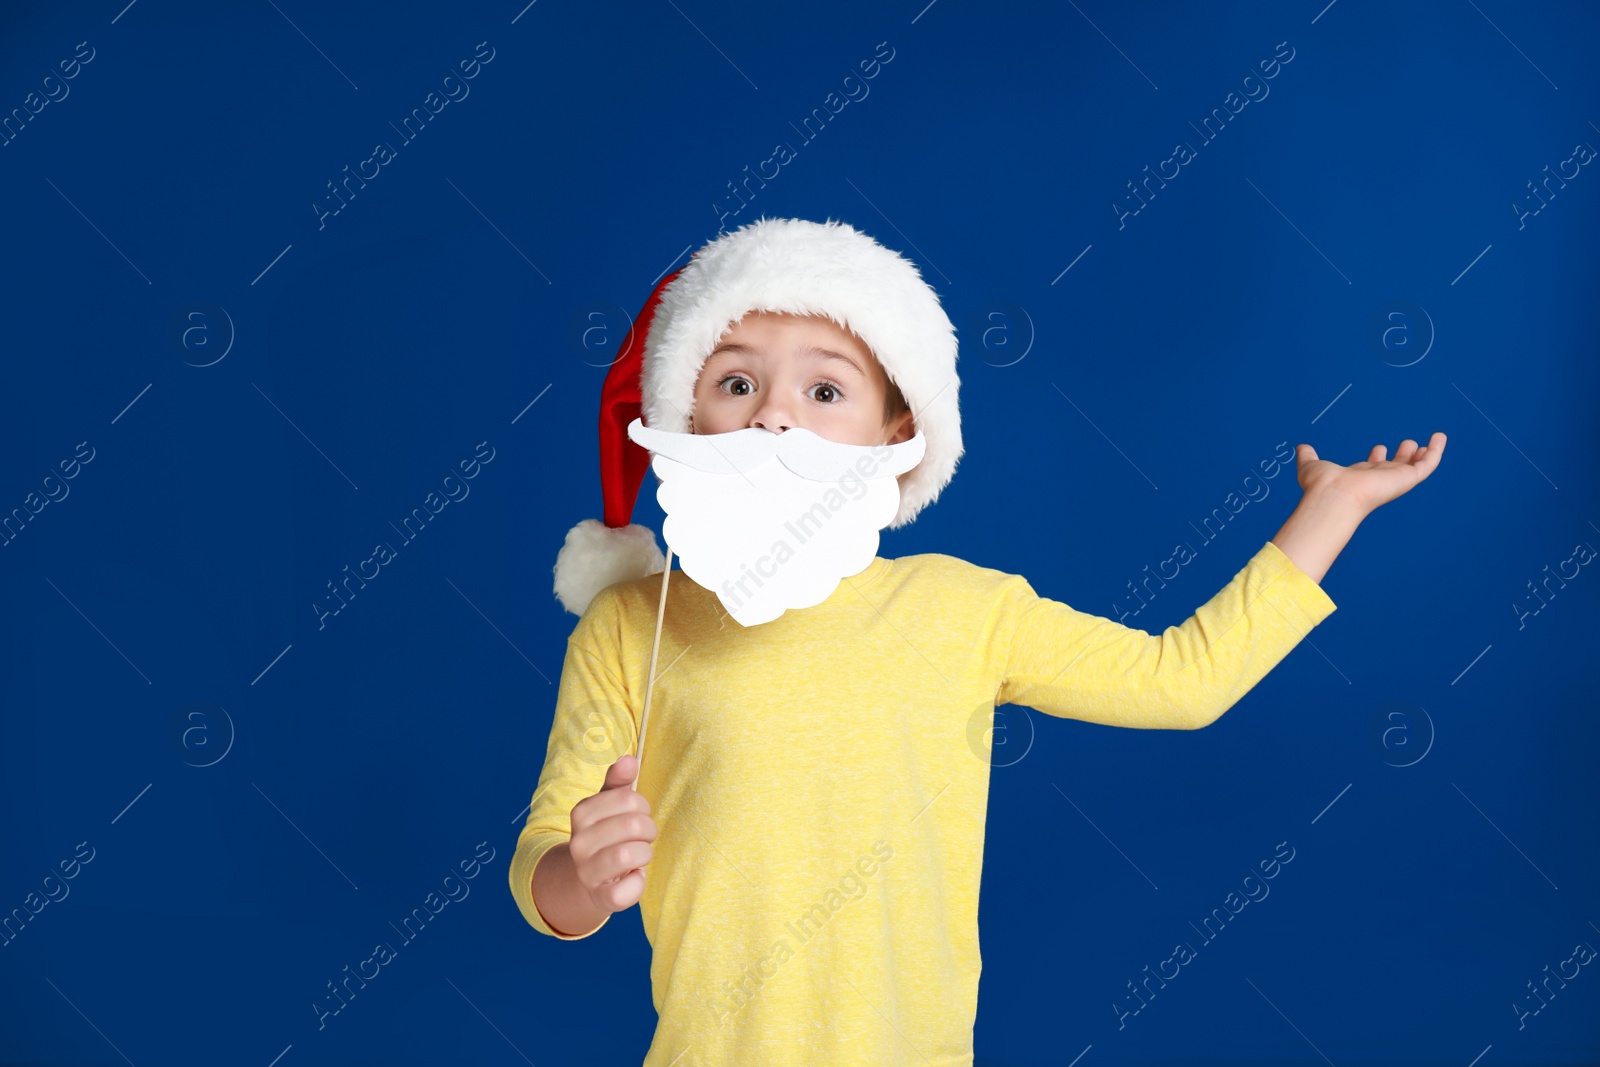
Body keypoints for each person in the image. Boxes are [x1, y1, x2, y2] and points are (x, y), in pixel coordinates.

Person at [508, 217, 1446, 1066]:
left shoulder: (965, 610)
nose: (773, 414)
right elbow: (544, 863)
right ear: (682, 418)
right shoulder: (631, 624)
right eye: (737, 381)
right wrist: (581, 878)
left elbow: (1181, 680)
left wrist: (1330, 513)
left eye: (825, 386)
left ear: (897, 430)